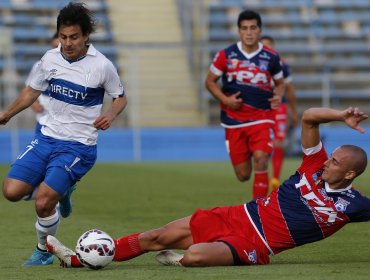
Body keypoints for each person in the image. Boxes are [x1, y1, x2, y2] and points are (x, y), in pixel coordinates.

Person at [47, 106, 370, 268]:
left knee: (196, 257)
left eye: (337, 162)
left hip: (258, 243)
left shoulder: (355, 204)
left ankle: (179, 259)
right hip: (237, 215)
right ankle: (77, 260)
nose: (328, 162)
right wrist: (342, 115)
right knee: (154, 237)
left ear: (351, 174)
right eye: (331, 157)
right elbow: (311, 117)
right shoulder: (313, 166)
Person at [0, 2, 127, 266]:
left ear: (86, 36)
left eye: (74, 37)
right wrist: (7, 113)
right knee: (11, 191)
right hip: (46, 137)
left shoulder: (102, 66)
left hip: (78, 146)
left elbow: (120, 98)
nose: (68, 43)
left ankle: (43, 250)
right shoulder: (49, 59)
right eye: (63, 37)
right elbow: (31, 91)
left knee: (44, 202)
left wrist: (111, 115)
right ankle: (64, 190)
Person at [205, 10, 285, 199]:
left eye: (253, 28)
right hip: (234, 121)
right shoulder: (225, 55)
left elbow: (280, 84)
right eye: (244, 28)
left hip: (262, 118)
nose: (249, 32)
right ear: (239, 31)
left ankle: (258, 213)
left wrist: (278, 95)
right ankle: (247, 153)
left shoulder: (271, 57)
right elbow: (209, 82)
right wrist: (225, 100)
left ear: (259, 30)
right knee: (243, 175)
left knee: (261, 158)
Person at [260, 35, 298, 191]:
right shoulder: (253, 65)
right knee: (263, 144)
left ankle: (274, 178)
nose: (266, 48)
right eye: (263, 46)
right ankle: (263, 175)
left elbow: (289, 90)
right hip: (261, 108)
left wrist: (293, 112)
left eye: (269, 45)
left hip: (279, 108)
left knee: (278, 143)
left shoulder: (282, 66)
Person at [28, 32, 60, 135]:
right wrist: (33, 103)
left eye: (59, 47)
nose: (57, 50)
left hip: (64, 123)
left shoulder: (73, 68)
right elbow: (29, 88)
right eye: (54, 46)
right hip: (43, 118)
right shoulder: (40, 65)